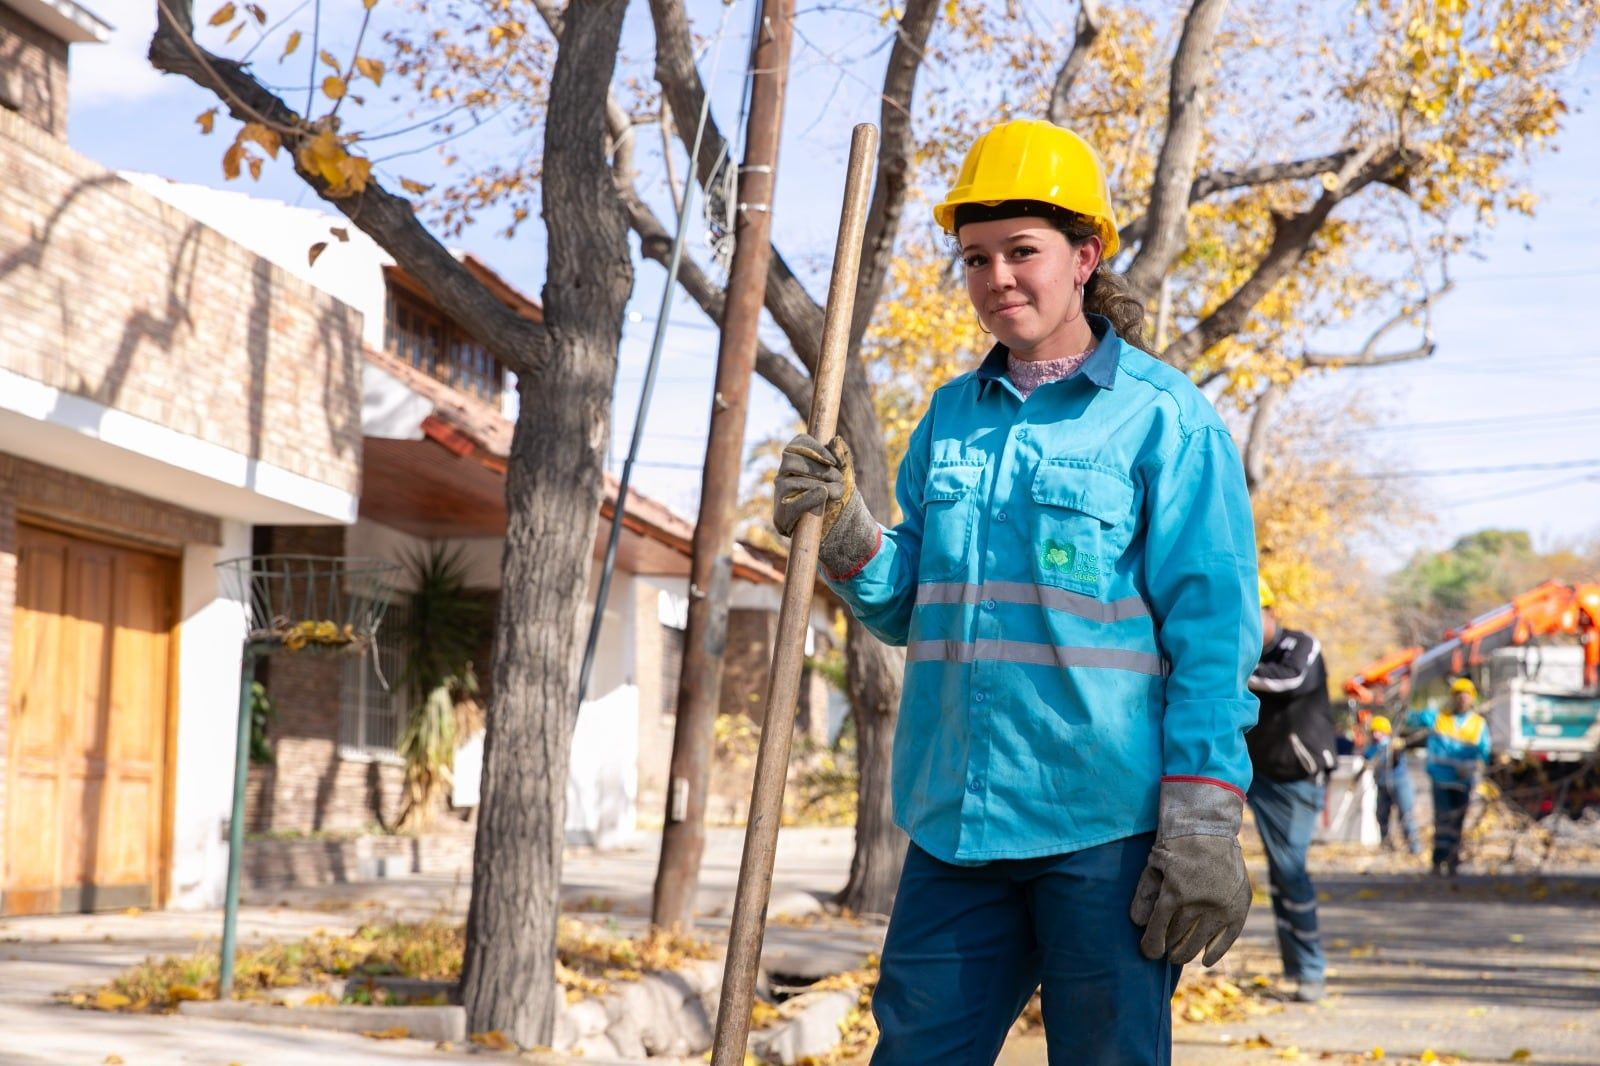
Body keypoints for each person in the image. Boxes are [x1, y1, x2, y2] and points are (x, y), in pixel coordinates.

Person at [772, 118, 1260, 1066]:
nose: (997, 277)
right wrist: (844, 531)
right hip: (956, 825)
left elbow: (1213, 634)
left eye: (1022, 251)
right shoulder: (952, 416)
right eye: (975, 257)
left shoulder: (1166, 422)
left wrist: (1203, 818)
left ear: (1086, 257)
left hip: (1105, 832)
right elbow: (911, 600)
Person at [1245, 577, 1338, 1003]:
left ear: (1271, 612)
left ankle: (1311, 972)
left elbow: (1287, 680)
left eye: (1255, 612)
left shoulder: (1301, 646)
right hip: (1259, 777)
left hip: (1296, 779)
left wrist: (1230, 673)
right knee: (1279, 876)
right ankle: (1297, 971)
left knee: (1290, 871)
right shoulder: (1247, 654)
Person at [1410, 678, 1492, 876]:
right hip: (1441, 780)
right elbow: (1411, 718)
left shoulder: (1478, 724)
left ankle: (1453, 860)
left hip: (1463, 782)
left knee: (1457, 822)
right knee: (1442, 821)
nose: (1462, 699)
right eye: (1458, 695)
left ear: (1471, 698)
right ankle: (1439, 861)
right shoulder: (1438, 718)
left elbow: (1485, 753)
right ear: (1452, 698)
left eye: (1466, 696)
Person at [1364, 715, 1420, 856]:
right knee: (1381, 815)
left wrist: (1396, 747)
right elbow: (1366, 759)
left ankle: (1414, 847)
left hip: (1400, 783)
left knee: (1406, 816)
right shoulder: (1372, 748)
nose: (1376, 734)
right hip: (1382, 785)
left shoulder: (1394, 744)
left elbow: (1398, 755)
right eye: (1374, 731)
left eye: (1379, 731)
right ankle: (1386, 845)